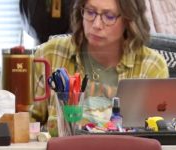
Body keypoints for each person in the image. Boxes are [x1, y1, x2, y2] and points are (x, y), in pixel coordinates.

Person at [30, 0, 168, 133]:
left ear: (128, 20)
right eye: (90, 12)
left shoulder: (151, 66)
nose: (96, 25)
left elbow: (156, 135)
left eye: (109, 17)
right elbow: (27, 122)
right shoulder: (49, 55)